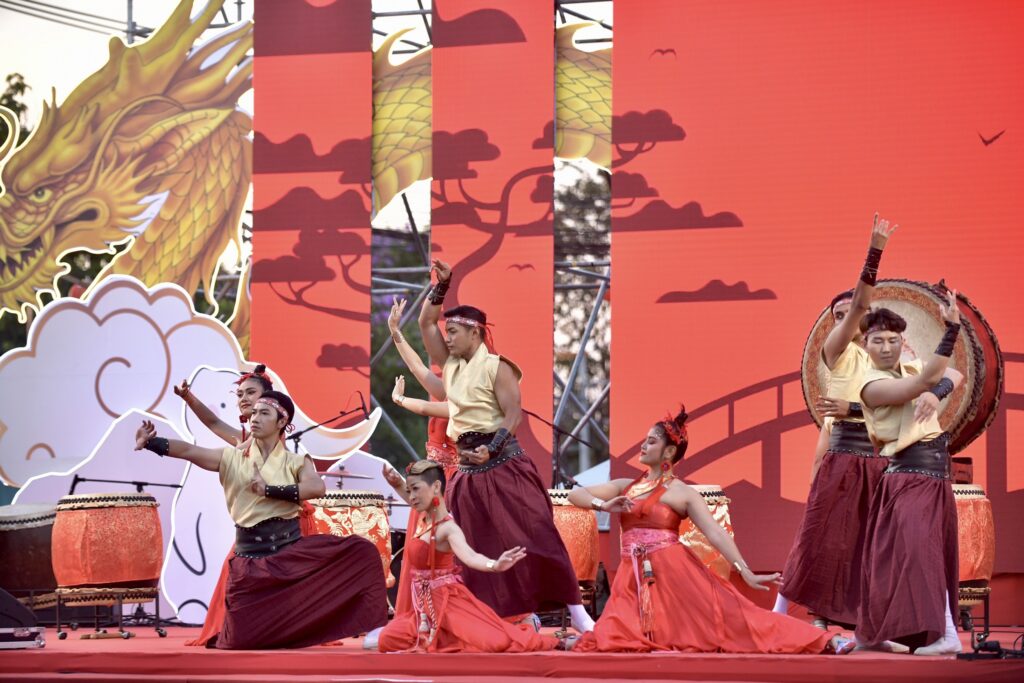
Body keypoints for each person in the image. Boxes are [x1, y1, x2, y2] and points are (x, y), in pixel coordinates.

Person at [396, 261, 591, 632]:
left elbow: (513, 414)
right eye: (447, 332)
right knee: (472, 547)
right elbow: (425, 323)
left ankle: (578, 613)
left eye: (454, 332)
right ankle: (497, 619)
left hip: (505, 462)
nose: (447, 338)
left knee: (536, 534)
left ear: (475, 332)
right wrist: (443, 285)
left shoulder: (498, 367)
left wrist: (493, 446)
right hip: (466, 471)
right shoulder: (452, 366)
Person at [567, 408, 854, 655]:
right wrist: (603, 505)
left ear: (669, 452)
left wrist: (745, 571)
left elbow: (715, 533)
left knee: (740, 622)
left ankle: (826, 640)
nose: (642, 446)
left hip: (674, 574)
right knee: (617, 636)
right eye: (644, 440)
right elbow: (574, 495)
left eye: (651, 441)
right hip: (632, 577)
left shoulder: (682, 492)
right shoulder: (625, 486)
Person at [134, 391, 387, 649]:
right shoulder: (231, 458)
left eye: (264, 413)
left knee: (362, 551)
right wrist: (151, 443)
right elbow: (189, 450)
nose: (254, 418)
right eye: (253, 412)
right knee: (237, 642)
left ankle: (376, 628)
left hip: (290, 554)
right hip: (250, 562)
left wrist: (269, 490)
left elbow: (316, 488)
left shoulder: (296, 461)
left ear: (282, 422)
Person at [775, 215, 898, 632]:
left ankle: (871, 624)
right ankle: (806, 616)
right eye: (839, 315)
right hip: (845, 455)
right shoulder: (837, 351)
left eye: (852, 312)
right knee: (824, 536)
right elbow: (860, 305)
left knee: (874, 543)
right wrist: (874, 253)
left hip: (881, 459)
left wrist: (855, 408)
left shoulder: (887, 358)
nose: (847, 318)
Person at [856, 295, 965, 655]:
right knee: (887, 558)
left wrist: (937, 394)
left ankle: (947, 634)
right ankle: (873, 633)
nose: (887, 347)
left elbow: (953, 374)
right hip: (904, 473)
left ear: (903, 342)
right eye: (878, 340)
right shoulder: (871, 385)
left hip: (930, 473)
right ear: (864, 344)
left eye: (893, 340)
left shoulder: (910, 367)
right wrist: (951, 329)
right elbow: (924, 382)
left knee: (924, 552)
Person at [363, 460, 559, 653]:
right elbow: (414, 500)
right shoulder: (426, 518)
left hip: (449, 604)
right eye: (410, 490)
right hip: (424, 610)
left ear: (436, 486)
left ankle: (528, 628)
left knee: (496, 643)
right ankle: (441, 636)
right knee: (387, 640)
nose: (412, 496)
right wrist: (397, 483)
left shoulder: (448, 528)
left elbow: (470, 556)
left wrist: (495, 565)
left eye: (415, 489)